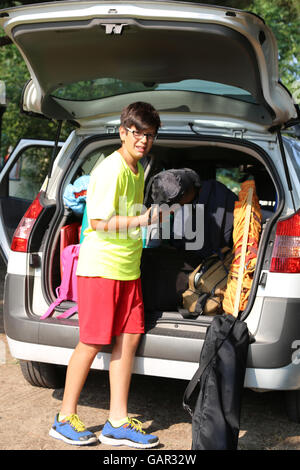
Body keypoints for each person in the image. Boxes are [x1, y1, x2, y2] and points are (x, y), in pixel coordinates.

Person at [49, 102, 161, 448]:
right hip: (101, 270)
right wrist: (143, 221)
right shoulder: (110, 170)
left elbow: (126, 218)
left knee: (128, 341)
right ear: (123, 132)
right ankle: (64, 418)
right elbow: (98, 222)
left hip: (129, 269)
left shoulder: (137, 169)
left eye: (150, 135)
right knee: (92, 341)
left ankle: (116, 421)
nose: (143, 139)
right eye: (137, 132)